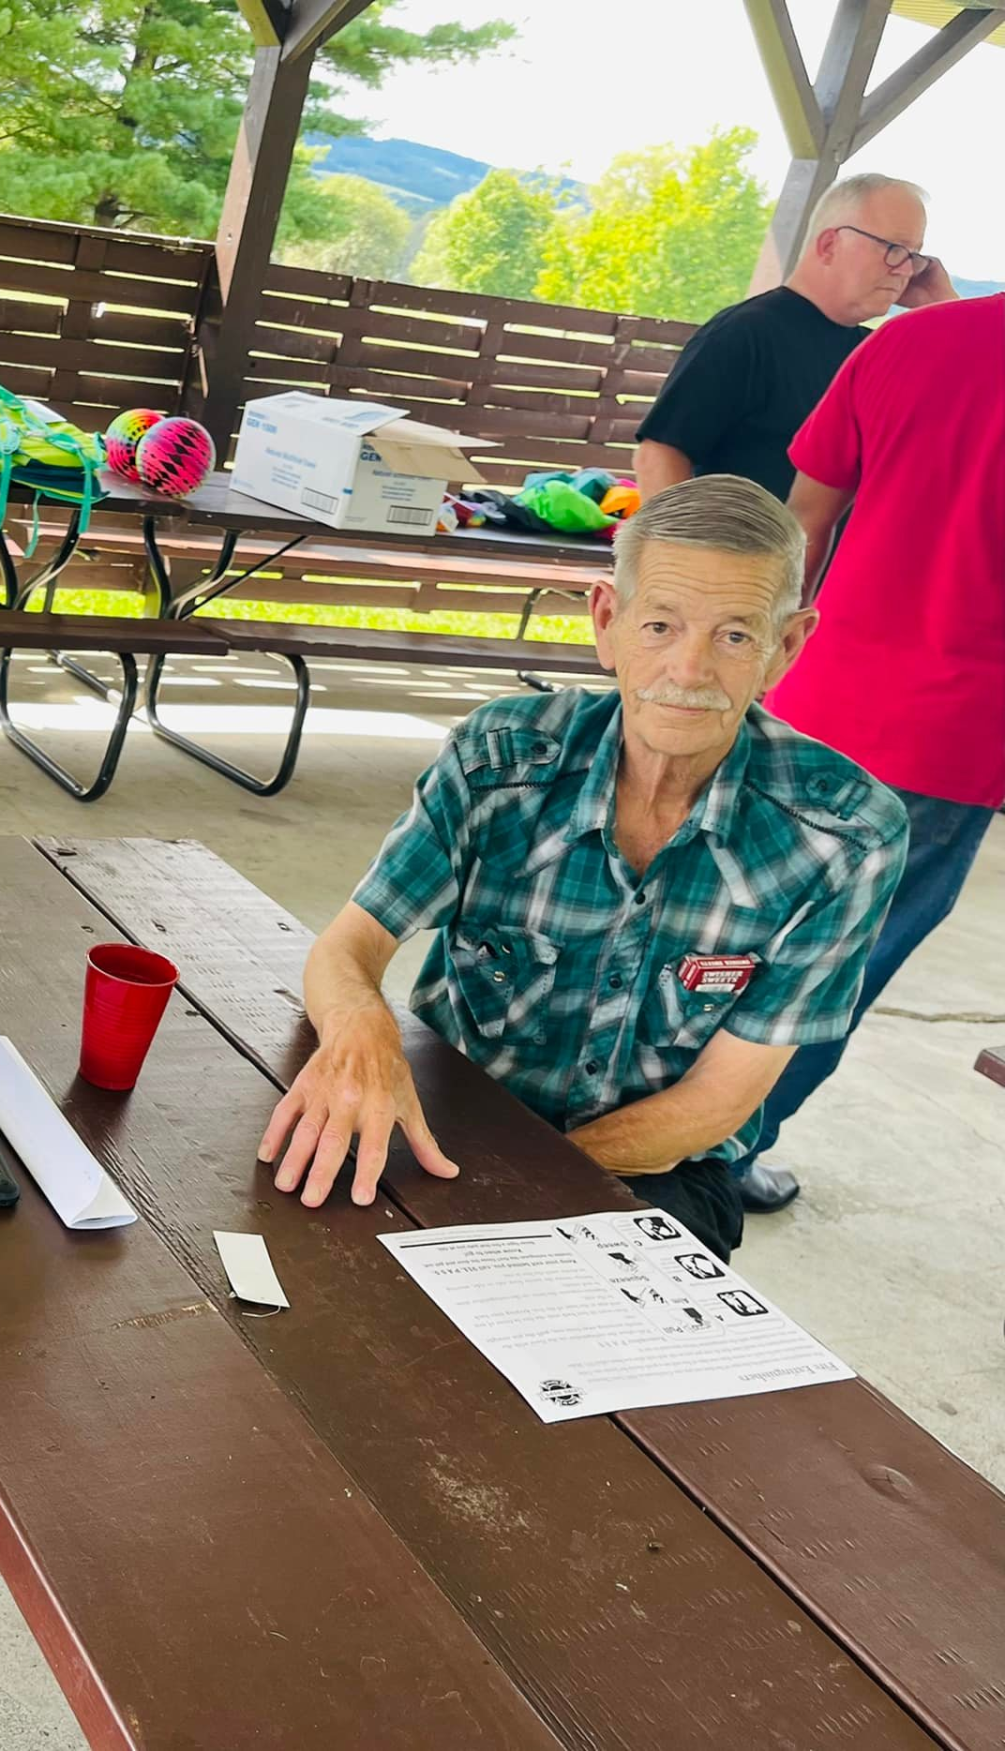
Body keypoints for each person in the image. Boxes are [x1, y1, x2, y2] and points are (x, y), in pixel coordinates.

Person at [258, 475, 907, 1261]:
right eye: (660, 625)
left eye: (736, 636)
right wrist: (363, 1029)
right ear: (607, 620)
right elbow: (349, 947)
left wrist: (501, 1195)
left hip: (655, 1167)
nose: (689, 669)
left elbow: (715, 1102)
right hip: (450, 1111)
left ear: (786, 648)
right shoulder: (498, 760)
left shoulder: (845, 834)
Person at [728, 293, 1005, 1209]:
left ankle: (631, 1124)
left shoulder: (908, 340)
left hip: (816, 691)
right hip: (954, 736)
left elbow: (804, 516)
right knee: (841, 966)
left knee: (727, 923)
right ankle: (716, 1152)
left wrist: (765, 655)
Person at [635, 173, 957, 505]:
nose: (906, 270)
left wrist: (946, 307)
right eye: (894, 248)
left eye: (914, 255)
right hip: (742, 538)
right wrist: (683, 540)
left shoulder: (876, 352)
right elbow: (660, 455)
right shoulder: (746, 333)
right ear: (829, 245)